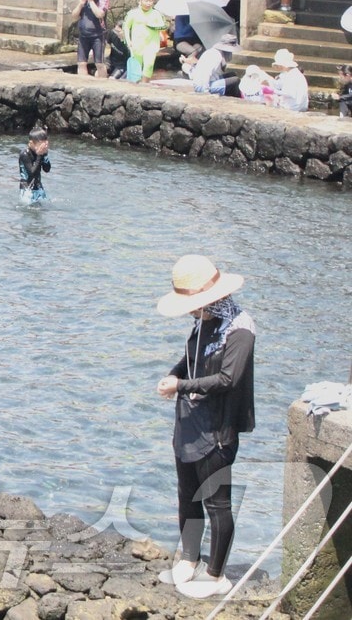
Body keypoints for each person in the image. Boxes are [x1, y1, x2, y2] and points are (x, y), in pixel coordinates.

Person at [155, 255, 254, 599]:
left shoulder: (239, 329)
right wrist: (175, 373)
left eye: (193, 305)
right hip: (189, 421)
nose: (190, 312)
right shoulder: (203, 322)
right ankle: (189, 559)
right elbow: (189, 358)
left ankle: (216, 575)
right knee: (187, 494)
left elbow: (229, 379)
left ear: (210, 299)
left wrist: (179, 387)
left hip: (219, 426)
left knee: (216, 502)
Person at [122, 0, 167, 82]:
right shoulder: (132, 13)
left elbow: (163, 27)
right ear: (140, 1)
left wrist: (152, 25)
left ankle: (145, 84)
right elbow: (126, 27)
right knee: (136, 67)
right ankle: (135, 85)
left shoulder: (156, 14)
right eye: (146, 1)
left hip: (151, 44)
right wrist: (128, 41)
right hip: (137, 44)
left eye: (151, 1)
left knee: (149, 65)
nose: (148, 3)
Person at [73, 0, 109, 78]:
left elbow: (100, 14)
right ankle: (82, 84)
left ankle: (102, 84)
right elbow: (74, 17)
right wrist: (80, 4)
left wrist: (90, 1)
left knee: (99, 63)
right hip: (83, 35)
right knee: (81, 63)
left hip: (98, 35)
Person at [18, 127, 52, 203]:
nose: (42, 147)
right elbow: (32, 173)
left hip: (39, 187)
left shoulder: (41, 152)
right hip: (27, 189)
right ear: (31, 143)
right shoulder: (25, 154)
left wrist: (45, 155)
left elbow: (47, 169)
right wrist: (39, 155)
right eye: (40, 144)